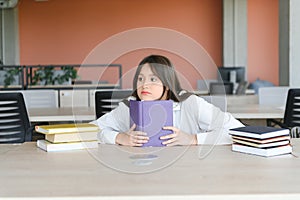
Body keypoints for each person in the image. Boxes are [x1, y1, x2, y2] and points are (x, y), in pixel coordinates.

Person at [91, 55, 244, 146]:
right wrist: (119, 137)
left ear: (167, 83)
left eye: (153, 79)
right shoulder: (129, 106)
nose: (144, 85)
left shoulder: (191, 104)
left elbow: (238, 131)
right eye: (140, 78)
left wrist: (193, 139)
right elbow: (88, 131)